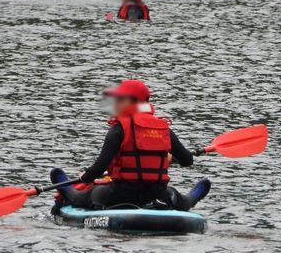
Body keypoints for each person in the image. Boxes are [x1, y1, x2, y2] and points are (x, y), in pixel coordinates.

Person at [50, 79, 211, 210]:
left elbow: (100, 167)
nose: (115, 103)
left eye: (120, 99)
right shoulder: (164, 129)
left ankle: (67, 191)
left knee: (89, 195)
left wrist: (84, 177)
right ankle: (190, 199)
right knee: (173, 195)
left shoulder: (119, 129)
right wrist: (169, 157)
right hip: (156, 194)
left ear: (134, 101)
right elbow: (187, 160)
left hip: (120, 194)